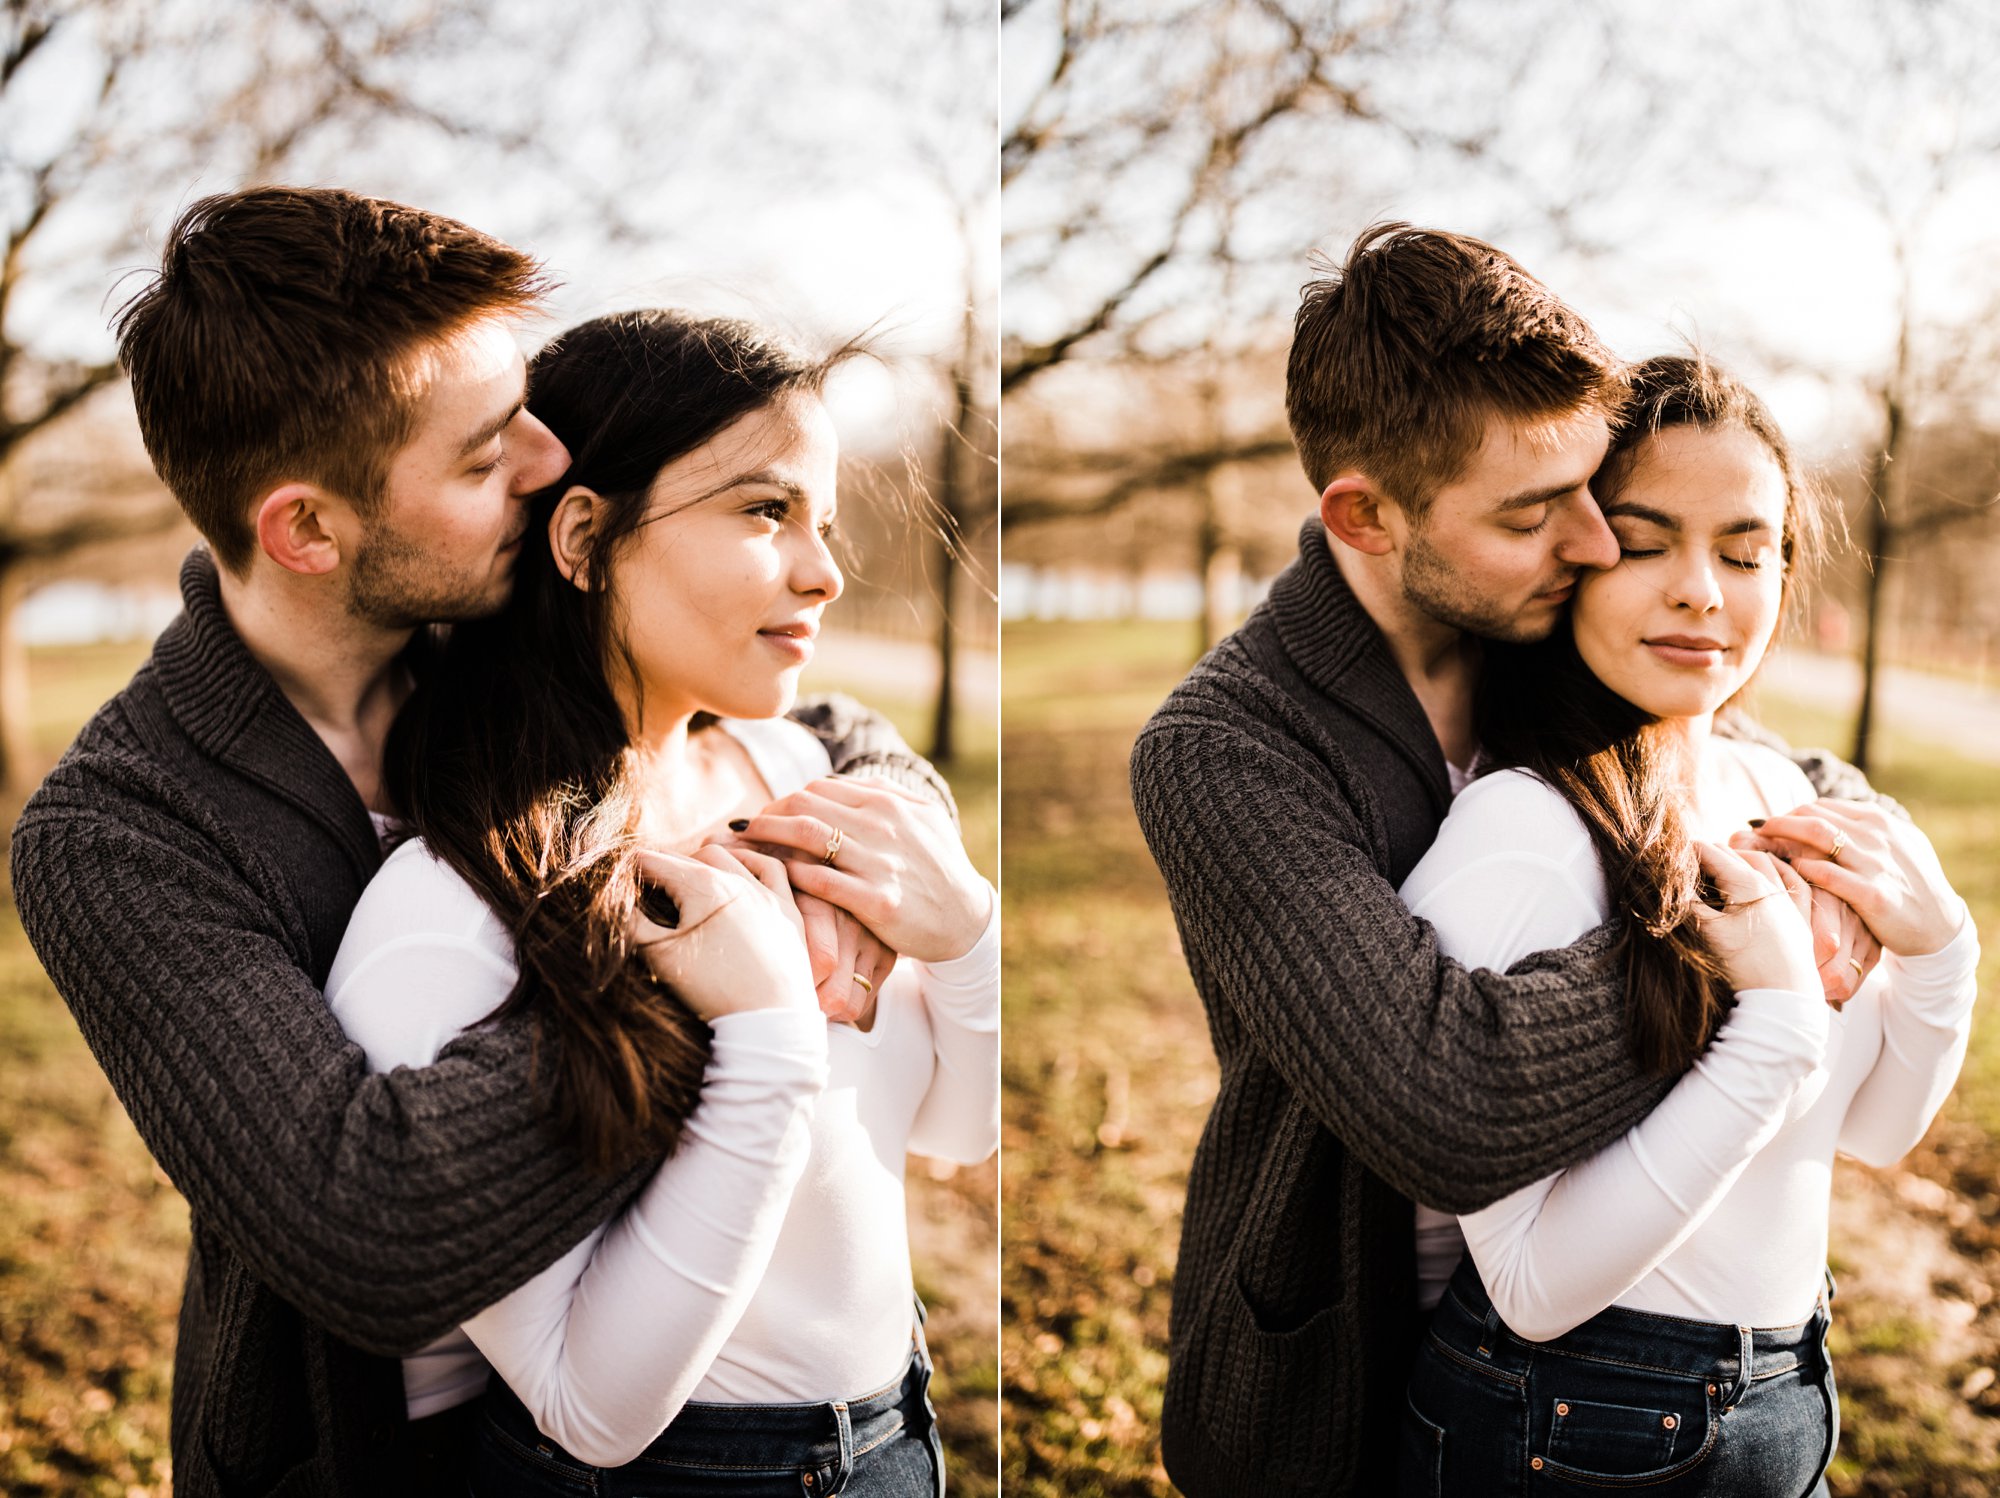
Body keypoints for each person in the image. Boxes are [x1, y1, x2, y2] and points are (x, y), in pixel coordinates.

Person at [8, 187, 951, 1496]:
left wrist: (888, 840)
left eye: (522, 410)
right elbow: (369, 1223)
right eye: (482, 452)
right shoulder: (120, 833)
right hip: (376, 1457)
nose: (548, 461)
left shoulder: (490, 621)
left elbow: (825, 726)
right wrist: (751, 980)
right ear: (309, 529)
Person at [1129, 224, 1887, 1498]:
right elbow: (1444, 1094)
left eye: (1589, 492)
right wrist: (1741, 945)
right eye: (1537, 513)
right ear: (1364, 516)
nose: (1595, 544)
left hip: (1578, 1369)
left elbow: (1728, 740)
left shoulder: (1527, 623)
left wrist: (1839, 825)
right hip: (1339, 1361)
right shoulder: (1223, 750)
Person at [321, 307, 1000, 1495]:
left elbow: (952, 1131)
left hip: (900, 1437)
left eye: (822, 520)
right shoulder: (450, 912)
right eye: (762, 510)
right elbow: (586, 1406)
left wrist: (967, 939)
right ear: (583, 535)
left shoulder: (806, 781)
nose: (823, 571)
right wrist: (765, 1037)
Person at [1396, 356, 1977, 1495]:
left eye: (1740, 549)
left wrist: (1940, 952)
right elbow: (1524, 1280)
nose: (1700, 591)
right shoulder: (1519, 834)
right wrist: (1771, 1028)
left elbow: (1875, 1131)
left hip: (1787, 1388)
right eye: (1643, 539)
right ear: (1567, 556)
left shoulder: (1783, 794)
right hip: (1569, 1420)